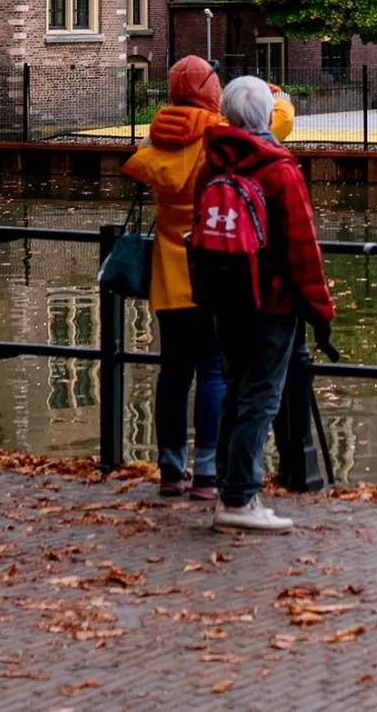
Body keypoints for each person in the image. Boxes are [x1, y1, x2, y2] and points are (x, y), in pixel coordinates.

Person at [198, 75, 335, 534]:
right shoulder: (279, 168)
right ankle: (239, 499)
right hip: (271, 303)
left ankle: (228, 489)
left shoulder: (213, 162)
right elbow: (302, 248)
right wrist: (321, 312)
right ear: (268, 118)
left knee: (235, 391)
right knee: (261, 398)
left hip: (223, 297)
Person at [122, 56, 228, 499]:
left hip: (168, 272)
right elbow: (276, 120)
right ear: (210, 90)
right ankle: (206, 472)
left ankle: (169, 469)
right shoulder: (218, 133)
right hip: (209, 267)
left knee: (173, 373)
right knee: (213, 371)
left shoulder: (158, 133)